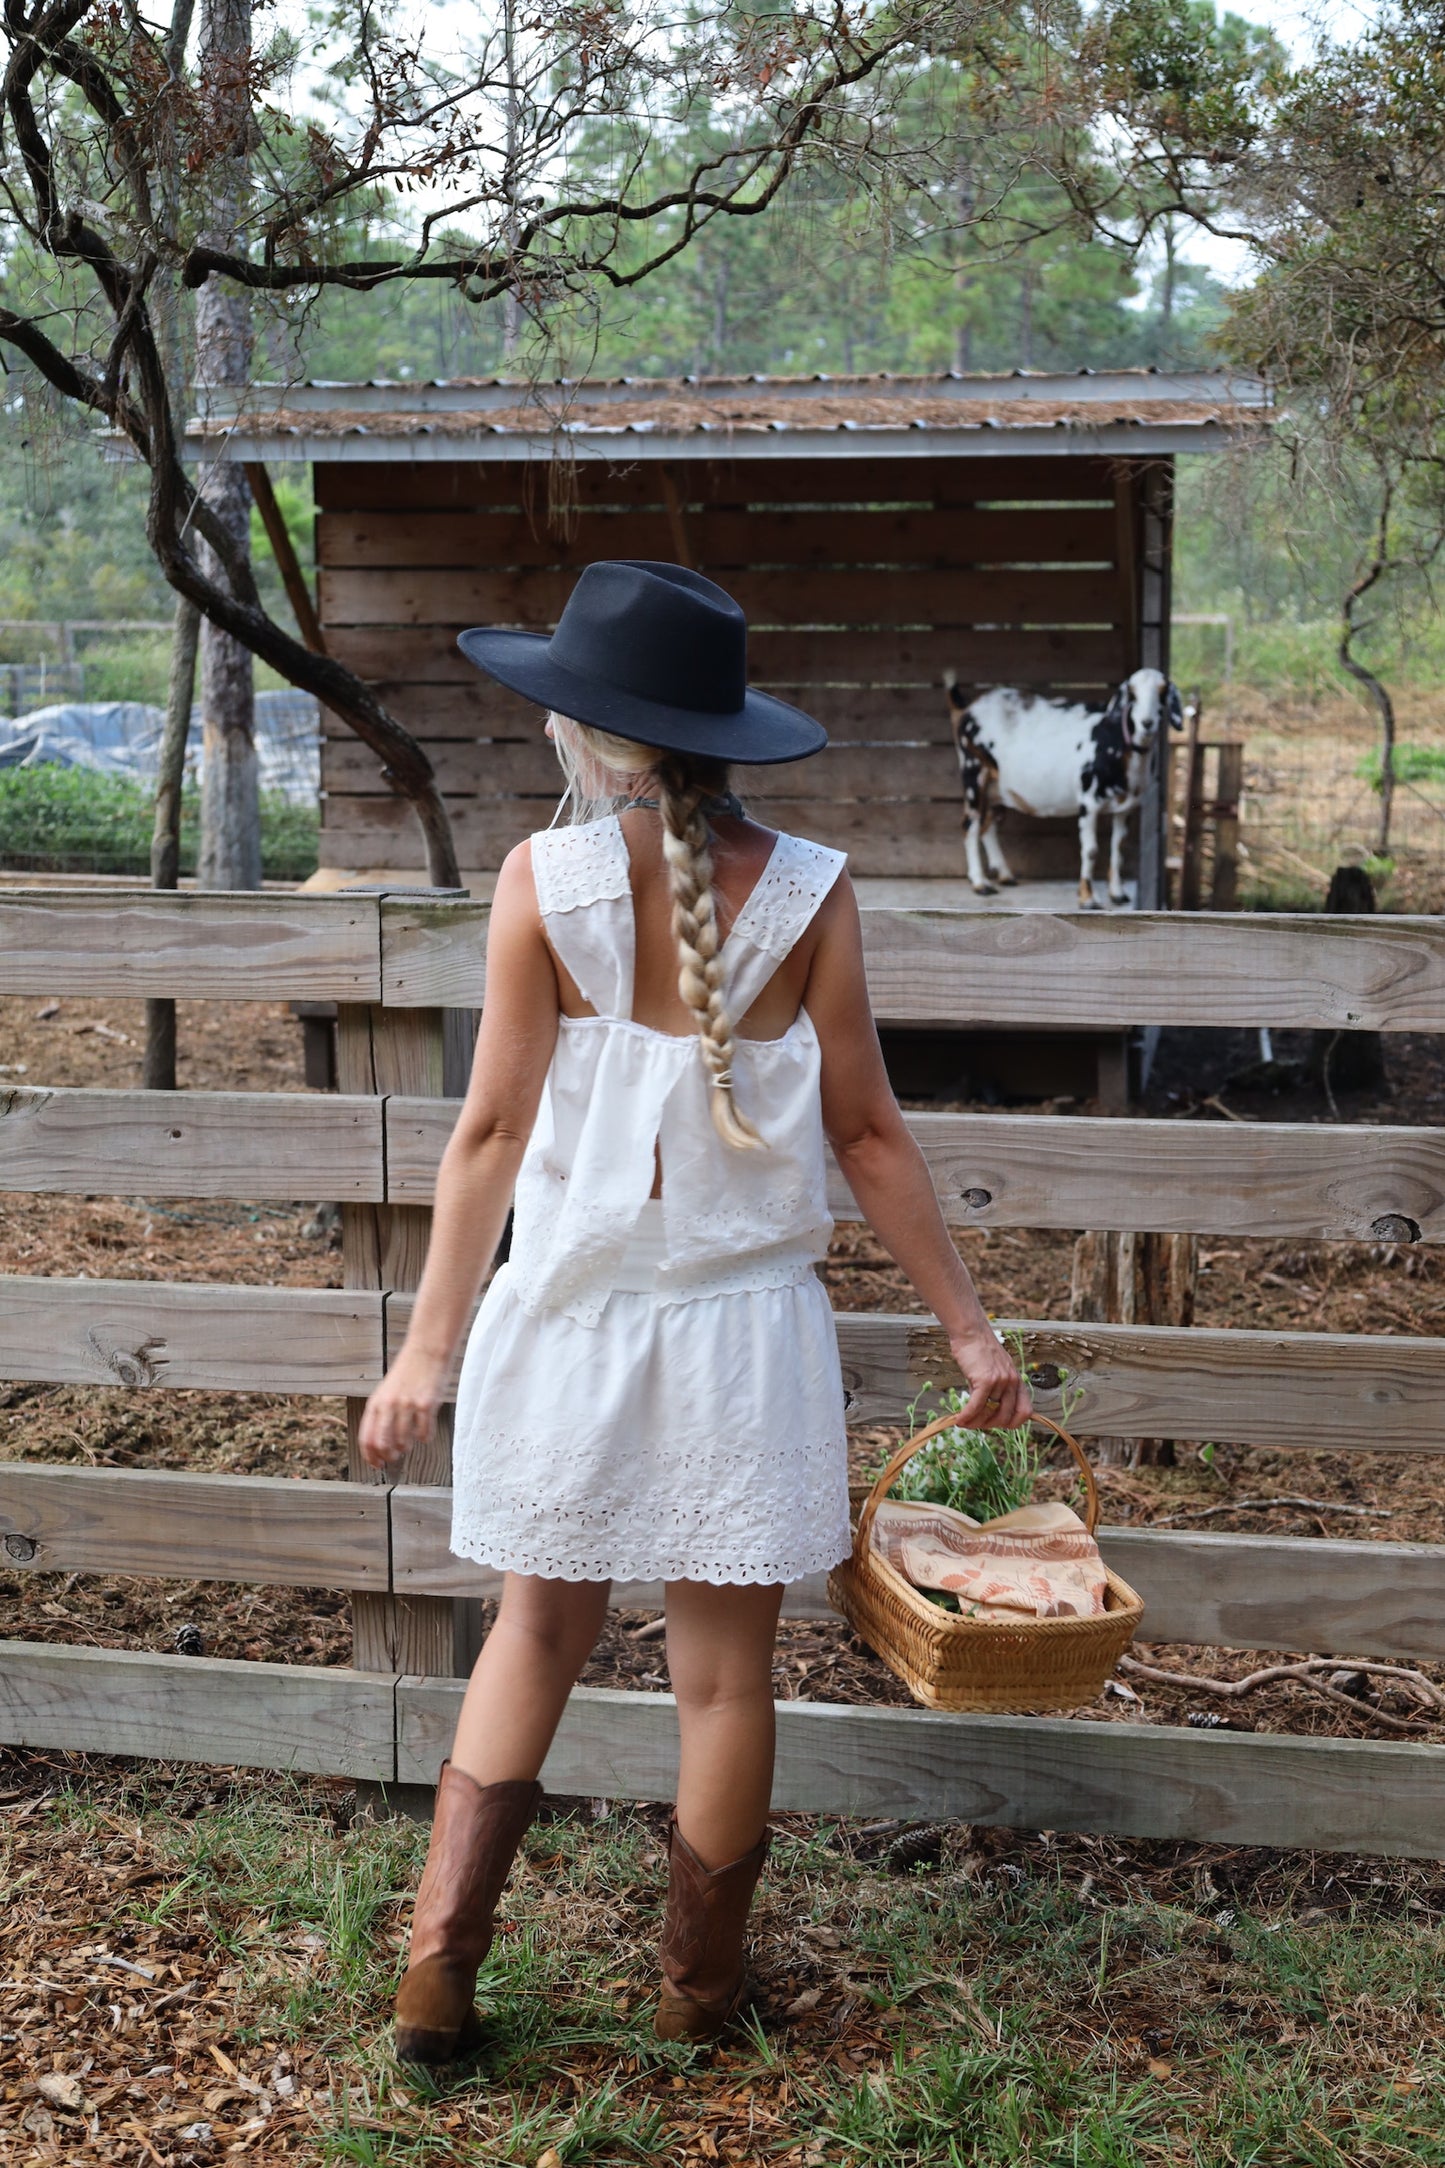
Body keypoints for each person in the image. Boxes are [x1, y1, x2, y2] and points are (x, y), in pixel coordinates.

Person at [358, 559, 1030, 2065]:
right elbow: (868, 1137)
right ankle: (696, 1998)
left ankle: (434, 1980)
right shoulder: (809, 891)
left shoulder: (542, 884)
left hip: (571, 1322)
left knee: (529, 1637)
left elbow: (483, 1138)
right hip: (739, 1337)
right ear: (723, 734)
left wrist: (423, 1353)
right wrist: (973, 1337)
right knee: (723, 1678)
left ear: (590, 738)